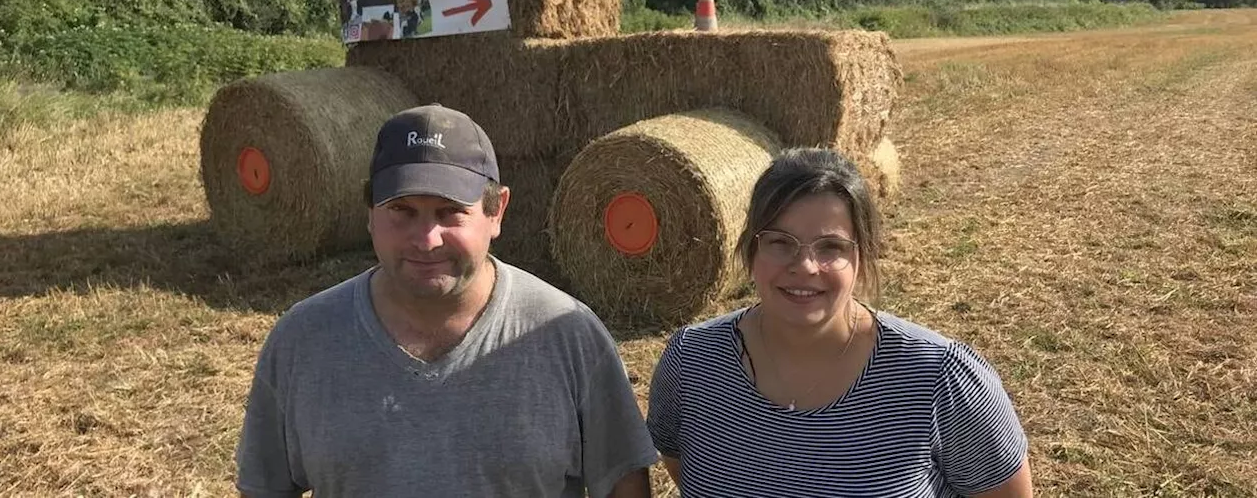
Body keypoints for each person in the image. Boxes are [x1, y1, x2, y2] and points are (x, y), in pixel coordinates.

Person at [236, 103, 658, 497]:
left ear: (496, 212)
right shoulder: (303, 340)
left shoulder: (567, 334)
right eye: (402, 209)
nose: (426, 239)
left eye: (449, 211)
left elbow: (625, 486)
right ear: (369, 213)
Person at [645, 147, 1032, 497]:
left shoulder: (939, 377)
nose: (805, 266)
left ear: (861, 256)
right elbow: (685, 467)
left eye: (831, 247)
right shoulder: (692, 363)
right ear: (752, 249)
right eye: (780, 242)